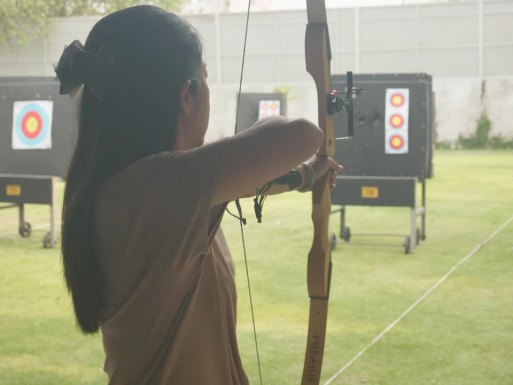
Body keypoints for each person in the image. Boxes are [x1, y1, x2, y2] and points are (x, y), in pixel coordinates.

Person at [55, 5, 341, 384]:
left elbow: (239, 184)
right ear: (186, 95)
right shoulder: (159, 186)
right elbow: (304, 134)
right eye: (204, 78)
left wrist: (305, 176)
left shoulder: (136, 190)